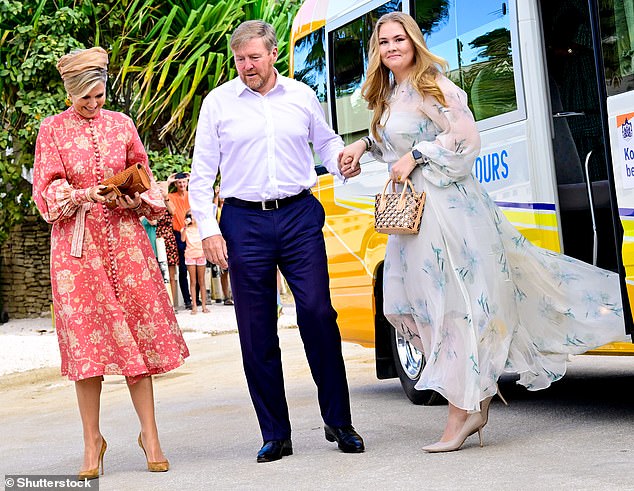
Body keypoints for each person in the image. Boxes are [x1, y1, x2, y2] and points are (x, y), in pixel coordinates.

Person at [338, 12, 626, 453]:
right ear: (376, 51)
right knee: (421, 309)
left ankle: (466, 410)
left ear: (414, 42)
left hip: (447, 214)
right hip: (412, 221)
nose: (391, 46)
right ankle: (470, 399)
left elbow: (466, 139)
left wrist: (415, 155)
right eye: (383, 42)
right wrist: (362, 145)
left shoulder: (435, 85)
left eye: (399, 39)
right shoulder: (392, 94)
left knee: (455, 306)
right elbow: (393, 142)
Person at [189, 20, 365, 463]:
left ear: (272, 56)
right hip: (244, 222)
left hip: (298, 214)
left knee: (318, 313)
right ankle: (275, 433)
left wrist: (342, 163)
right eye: (240, 59)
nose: (247, 66)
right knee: (256, 329)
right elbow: (202, 172)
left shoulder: (302, 96)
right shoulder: (218, 103)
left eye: (254, 57)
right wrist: (209, 228)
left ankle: (339, 422)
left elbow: (325, 144)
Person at [32, 47, 190, 478]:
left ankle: (150, 436)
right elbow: (46, 195)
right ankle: (92, 442)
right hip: (77, 249)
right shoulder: (52, 130)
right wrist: (86, 194)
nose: (95, 104)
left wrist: (132, 196)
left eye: (100, 95)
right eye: (86, 98)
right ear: (71, 92)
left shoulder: (123, 124)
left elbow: (146, 177)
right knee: (88, 347)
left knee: (137, 337)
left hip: (125, 243)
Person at [167, 171, 195, 309]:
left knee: (196, 267)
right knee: (183, 269)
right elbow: (163, 196)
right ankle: (187, 300)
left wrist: (192, 177)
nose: (182, 184)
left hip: (193, 233)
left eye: (184, 182)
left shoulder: (192, 195)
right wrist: (168, 181)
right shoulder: (172, 196)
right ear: (176, 184)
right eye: (179, 182)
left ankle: (196, 299)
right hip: (178, 234)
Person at [156, 181, 180, 306]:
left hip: (169, 239)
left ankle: (173, 303)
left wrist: (165, 197)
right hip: (157, 239)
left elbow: (173, 211)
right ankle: (163, 304)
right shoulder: (153, 202)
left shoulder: (167, 200)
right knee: (159, 275)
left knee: (171, 274)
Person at [181, 209, 209, 315]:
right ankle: (194, 307)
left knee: (202, 281)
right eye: (189, 215)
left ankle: (204, 306)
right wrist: (185, 227)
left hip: (201, 255)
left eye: (193, 215)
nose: (191, 217)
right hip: (190, 256)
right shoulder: (185, 229)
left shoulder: (201, 229)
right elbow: (183, 240)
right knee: (193, 282)